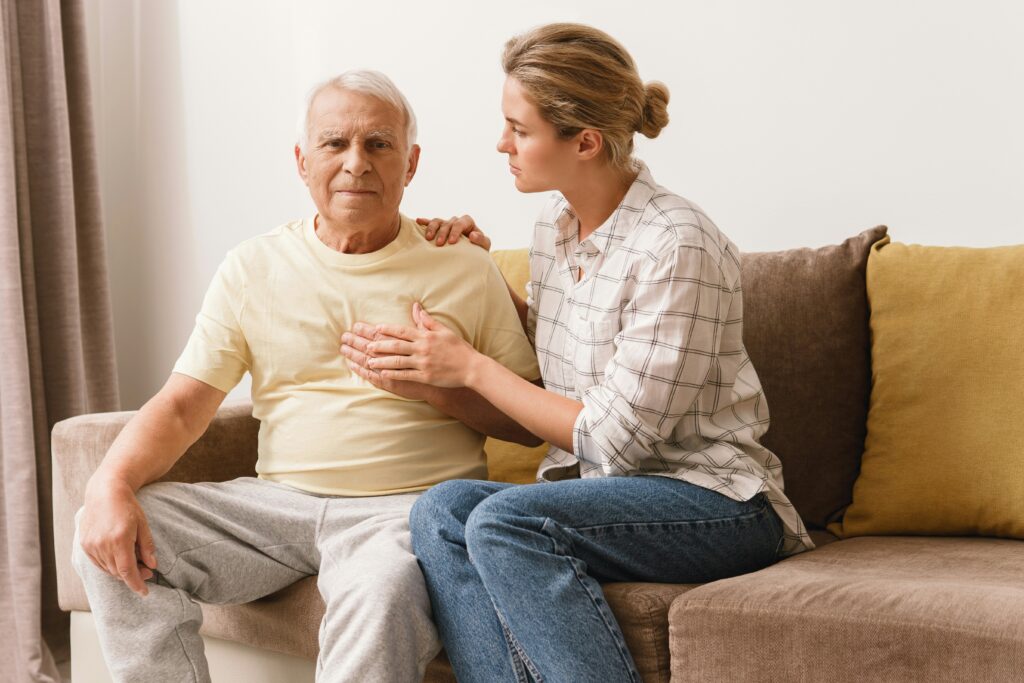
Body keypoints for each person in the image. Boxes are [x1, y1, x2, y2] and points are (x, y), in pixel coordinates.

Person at [340, 24, 815, 682]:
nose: (501, 143)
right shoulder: (554, 228)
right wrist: (483, 274)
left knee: (508, 521)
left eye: (519, 129)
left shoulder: (676, 243)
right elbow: (569, 355)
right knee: (441, 510)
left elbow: (613, 437)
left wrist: (468, 368)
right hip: (604, 495)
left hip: (714, 501)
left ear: (585, 142)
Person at [72, 70, 540, 683]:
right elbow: (185, 405)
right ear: (301, 160)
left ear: (411, 163)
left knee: (383, 590)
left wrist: (438, 389)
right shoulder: (252, 266)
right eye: (333, 144)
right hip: (276, 506)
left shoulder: (464, 267)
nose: (356, 164)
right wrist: (109, 484)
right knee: (108, 530)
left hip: (402, 513)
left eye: (378, 144)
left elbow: (528, 426)